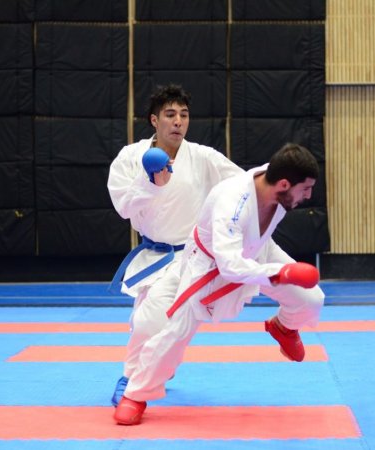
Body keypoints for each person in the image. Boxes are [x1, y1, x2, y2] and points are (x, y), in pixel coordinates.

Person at [113, 143, 325, 426]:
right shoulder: (232, 203)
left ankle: (284, 327)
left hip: (257, 247)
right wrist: (282, 273)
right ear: (285, 184)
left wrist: (280, 273)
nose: (308, 196)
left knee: (311, 298)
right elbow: (231, 267)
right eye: (305, 188)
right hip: (210, 265)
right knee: (177, 329)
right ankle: (136, 394)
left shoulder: (273, 180)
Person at [106, 84, 243, 406]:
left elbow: (242, 185)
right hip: (153, 253)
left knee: (172, 323)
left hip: (192, 256)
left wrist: (274, 179)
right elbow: (123, 207)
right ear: (155, 120)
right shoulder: (131, 157)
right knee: (146, 321)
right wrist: (151, 181)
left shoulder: (203, 157)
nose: (178, 121)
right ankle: (134, 376)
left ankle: (142, 374)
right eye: (170, 115)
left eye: (183, 115)